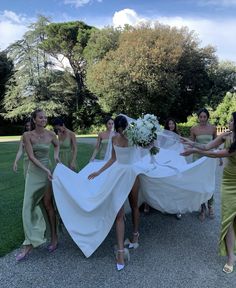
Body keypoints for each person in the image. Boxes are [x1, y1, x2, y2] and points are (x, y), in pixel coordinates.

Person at [181, 112, 236, 274]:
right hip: (228, 183)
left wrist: (192, 151)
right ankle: (230, 257)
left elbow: (215, 154)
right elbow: (206, 147)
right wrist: (191, 143)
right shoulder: (226, 135)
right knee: (228, 219)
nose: (228, 121)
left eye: (232, 120)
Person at [16, 109, 60, 261]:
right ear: (34, 120)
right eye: (40, 117)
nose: (43, 119)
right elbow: (31, 157)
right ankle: (29, 243)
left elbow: (56, 145)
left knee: (48, 205)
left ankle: (54, 237)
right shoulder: (27, 135)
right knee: (27, 206)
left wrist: (55, 156)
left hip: (47, 173)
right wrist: (46, 169)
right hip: (34, 173)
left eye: (45, 117)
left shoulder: (51, 134)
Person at [190, 108, 217, 221]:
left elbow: (216, 143)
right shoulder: (194, 129)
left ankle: (210, 205)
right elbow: (191, 143)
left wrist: (219, 158)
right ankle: (202, 208)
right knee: (200, 183)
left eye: (204, 117)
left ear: (207, 117)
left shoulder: (213, 128)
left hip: (210, 157)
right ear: (198, 117)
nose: (202, 119)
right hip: (197, 158)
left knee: (209, 182)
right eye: (200, 117)